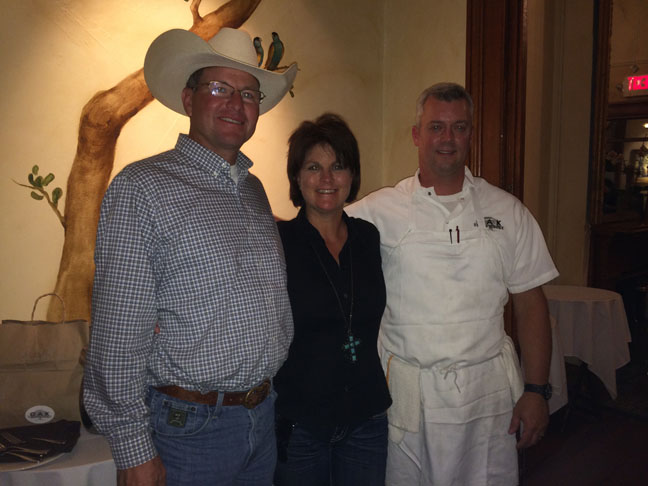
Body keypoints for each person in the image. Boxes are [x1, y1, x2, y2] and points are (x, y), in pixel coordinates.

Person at [83, 28, 297, 486]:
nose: (236, 105)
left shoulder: (254, 191)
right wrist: (132, 449)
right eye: (219, 88)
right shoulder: (142, 188)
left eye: (248, 93)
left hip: (262, 421)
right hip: (188, 431)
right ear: (188, 98)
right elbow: (118, 332)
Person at [346, 82, 559, 485]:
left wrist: (536, 390)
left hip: (488, 398)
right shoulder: (377, 211)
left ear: (470, 135)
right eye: (436, 127)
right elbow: (318, 235)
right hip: (408, 400)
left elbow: (531, 304)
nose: (448, 138)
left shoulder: (508, 212)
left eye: (459, 127)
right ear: (416, 135)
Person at [273, 113, 392, 485]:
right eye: (313, 167)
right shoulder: (278, 243)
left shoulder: (369, 238)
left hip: (366, 418)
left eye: (337, 166)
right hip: (302, 422)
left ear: (352, 175)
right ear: (297, 177)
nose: (326, 179)